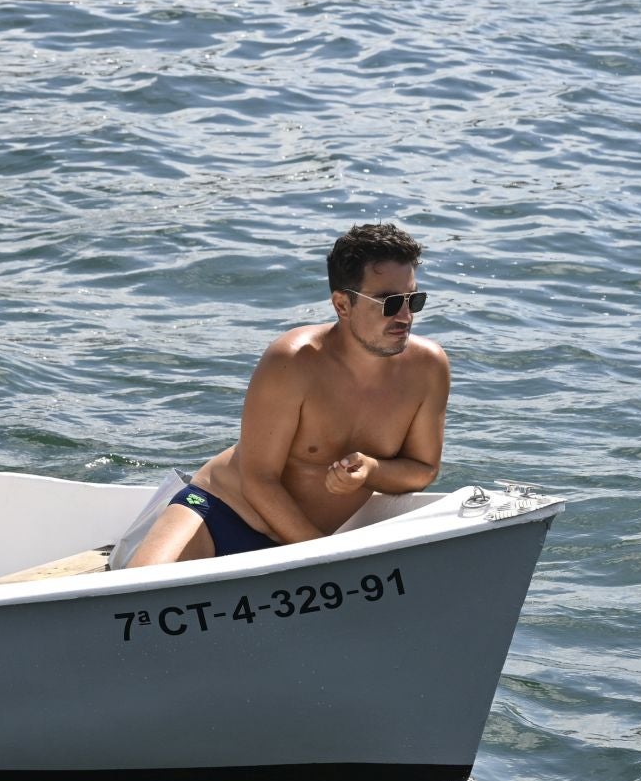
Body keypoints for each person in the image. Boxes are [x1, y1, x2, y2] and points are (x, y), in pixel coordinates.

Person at [126, 222, 449, 566]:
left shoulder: (428, 368)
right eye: (390, 302)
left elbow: (423, 469)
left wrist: (372, 470)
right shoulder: (293, 360)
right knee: (134, 593)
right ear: (342, 304)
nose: (406, 315)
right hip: (220, 515)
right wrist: (324, 555)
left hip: (306, 547)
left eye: (414, 299)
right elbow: (258, 479)